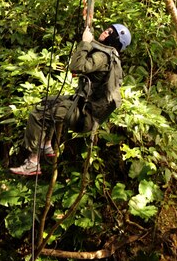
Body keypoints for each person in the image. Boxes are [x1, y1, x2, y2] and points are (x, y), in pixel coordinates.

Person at [10, 22, 131, 176]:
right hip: (84, 107)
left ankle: (33, 161)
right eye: (107, 30)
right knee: (48, 101)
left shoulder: (102, 56)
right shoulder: (111, 57)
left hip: (83, 115)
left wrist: (85, 42)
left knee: (38, 114)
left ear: (114, 40)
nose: (105, 32)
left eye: (109, 32)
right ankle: (46, 144)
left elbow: (76, 66)